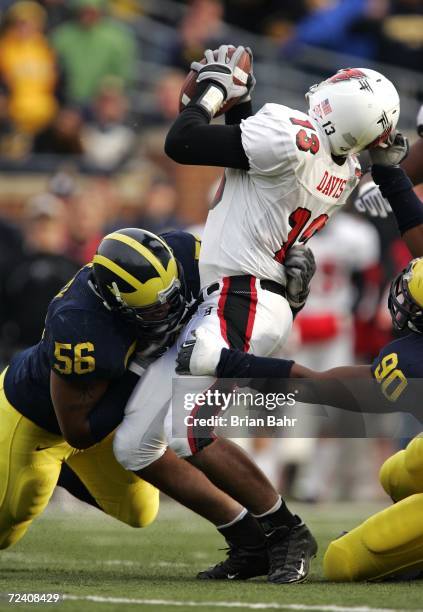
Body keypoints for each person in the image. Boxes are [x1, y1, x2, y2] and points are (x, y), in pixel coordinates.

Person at [112, 46, 400, 582]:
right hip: (245, 297)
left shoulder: (295, 133)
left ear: (337, 102)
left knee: (190, 432)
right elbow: (254, 161)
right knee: (136, 446)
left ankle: (287, 529)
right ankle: (248, 542)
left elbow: (182, 141)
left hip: (241, 298)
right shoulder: (343, 162)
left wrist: (216, 90)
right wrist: (240, 101)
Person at [178, 141, 423, 581]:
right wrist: (391, 173)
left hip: (324, 334)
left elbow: (332, 388)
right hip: (312, 335)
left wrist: (242, 366)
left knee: (345, 561)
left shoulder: (412, 361)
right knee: (400, 473)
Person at [0, 228, 191, 550]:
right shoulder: (80, 325)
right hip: (37, 422)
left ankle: (62, 470)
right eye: (153, 310)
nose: (168, 314)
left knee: (140, 511)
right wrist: (139, 367)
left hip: (99, 421)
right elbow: (78, 431)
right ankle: (43, 463)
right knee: (10, 524)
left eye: (171, 299)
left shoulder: (180, 251)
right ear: (118, 301)